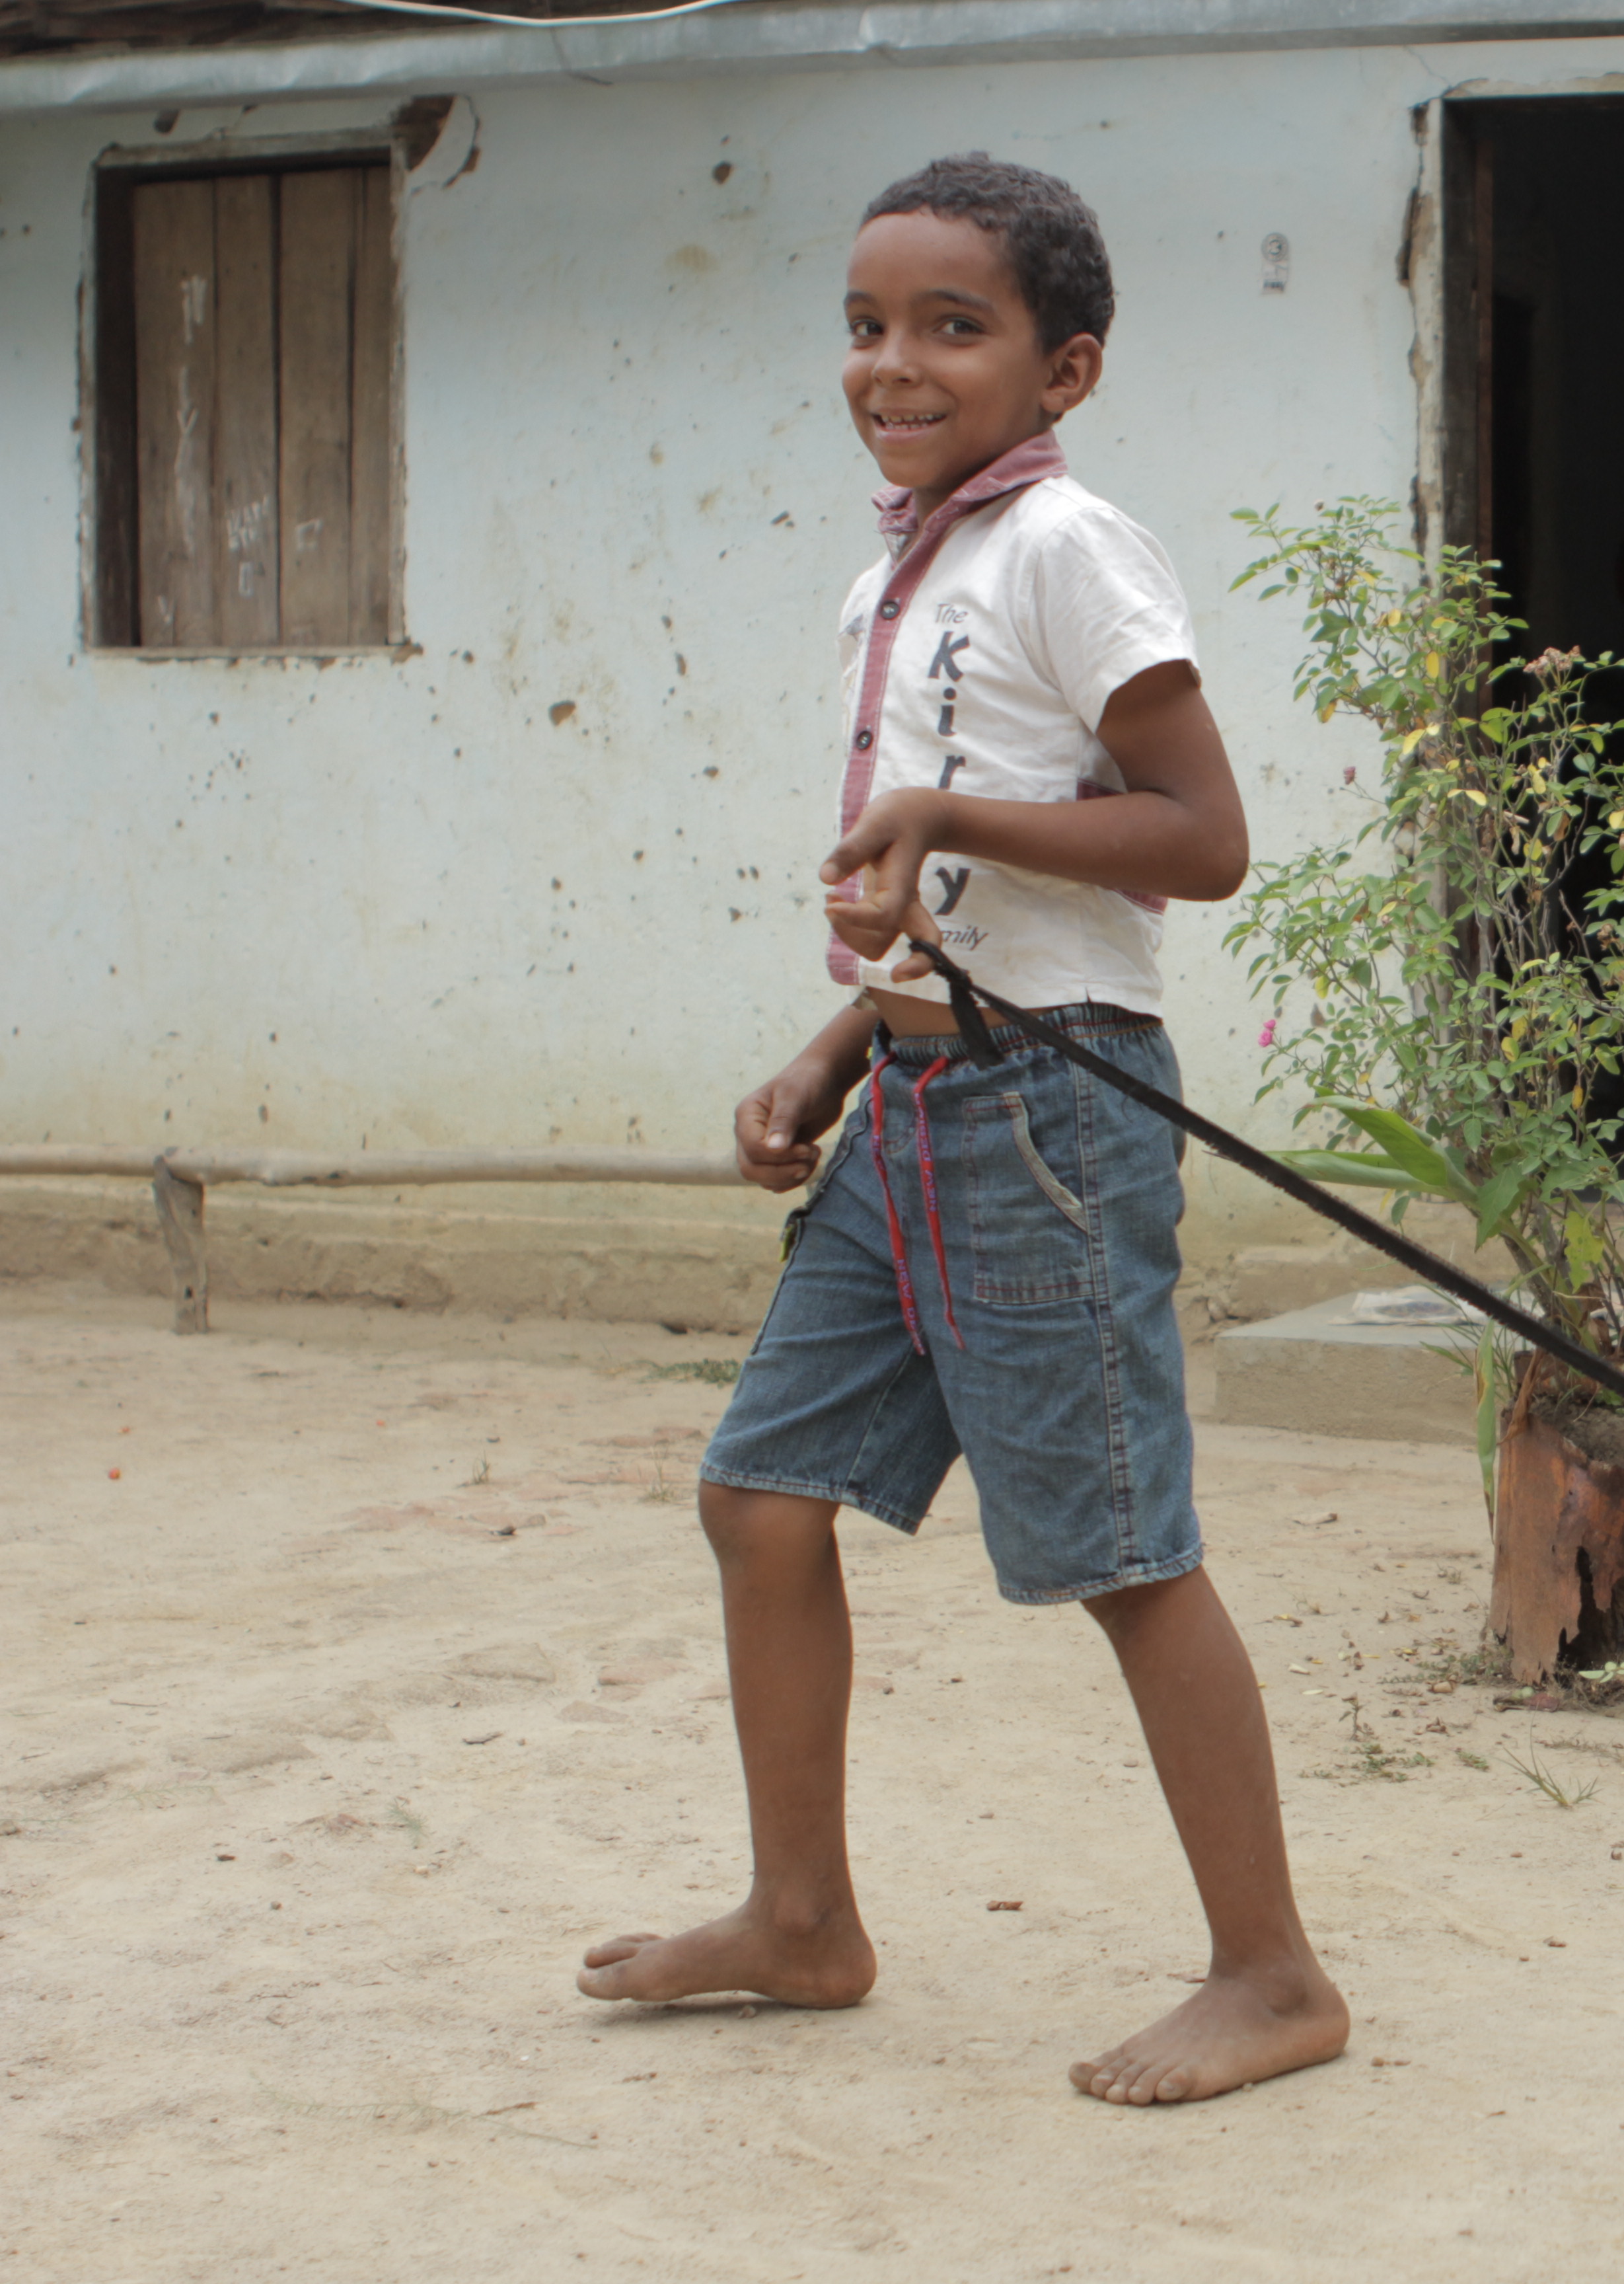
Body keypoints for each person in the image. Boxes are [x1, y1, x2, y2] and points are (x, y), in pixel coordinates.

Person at [574, 153, 1348, 2108]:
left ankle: (1271, 1977)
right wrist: (841, 1045)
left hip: (1045, 1120)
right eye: (864, 323)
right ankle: (803, 1919)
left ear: (1064, 365)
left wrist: (951, 825)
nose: (892, 363)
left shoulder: (1070, 550)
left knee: (1118, 1548)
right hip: (918, 1096)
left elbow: (1202, 839)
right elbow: (960, 895)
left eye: (951, 326)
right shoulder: (899, 568)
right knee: (761, 1497)